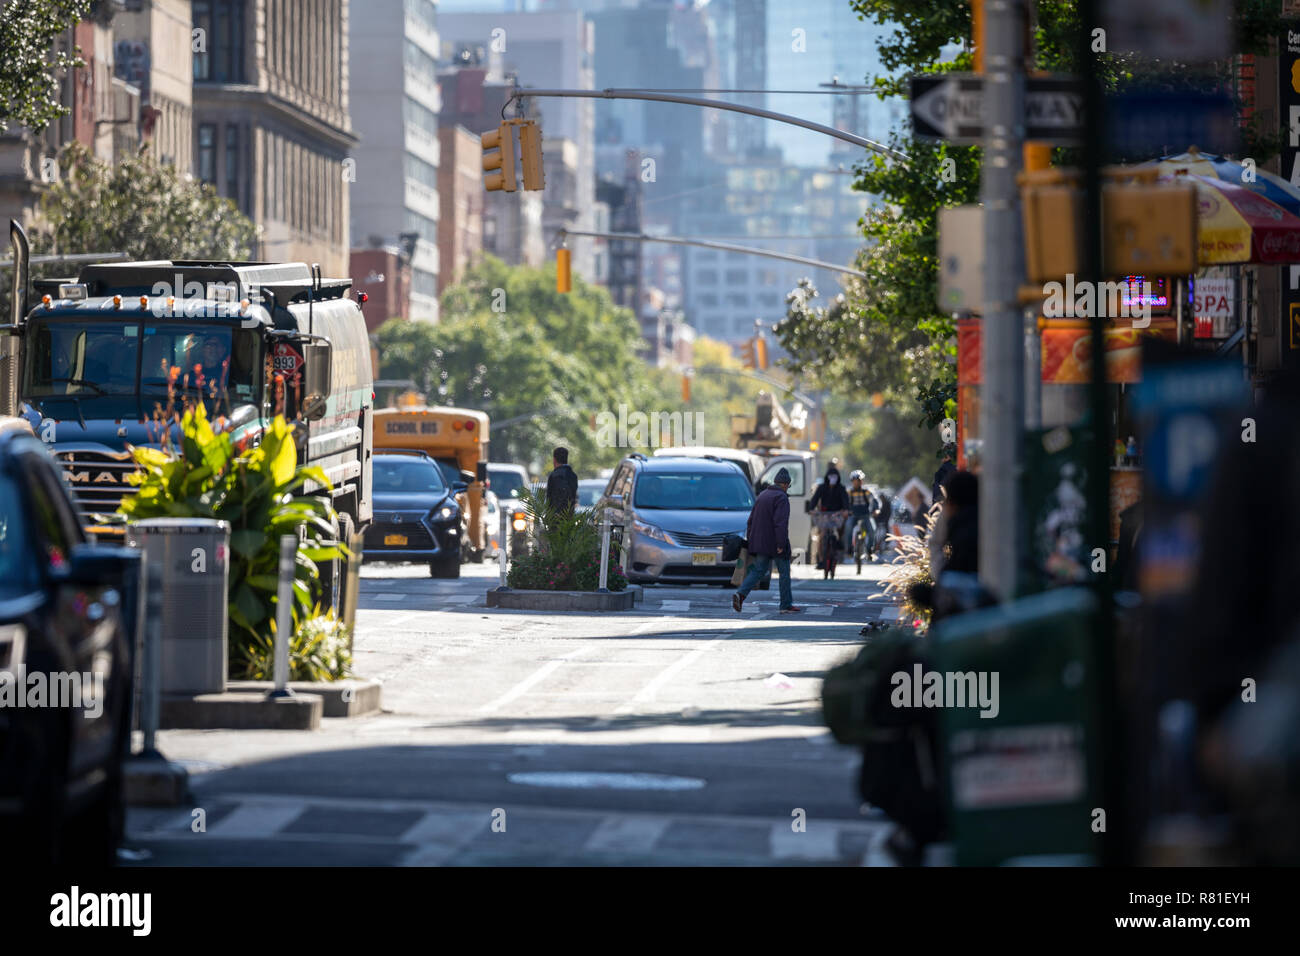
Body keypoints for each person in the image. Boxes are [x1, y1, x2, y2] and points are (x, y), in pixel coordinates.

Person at [733, 467, 801, 615]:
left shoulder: (762, 495)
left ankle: (741, 594)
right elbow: (780, 523)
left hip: (759, 543)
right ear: (785, 484)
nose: (787, 488)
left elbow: (750, 521)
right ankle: (786, 605)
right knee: (784, 573)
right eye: (788, 486)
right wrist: (781, 544)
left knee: (758, 570)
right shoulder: (781, 498)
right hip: (774, 543)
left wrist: (751, 541)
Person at [808, 463, 851, 576]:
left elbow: (845, 501)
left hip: (837, 515)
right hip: (824, 515)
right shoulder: (822, 487)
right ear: (827, 477)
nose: (833, 479)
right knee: (822, 536)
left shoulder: (841, 488)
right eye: (830, 476)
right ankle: (821, 559)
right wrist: (811, 509)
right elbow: (814, 499)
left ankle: (839, 543)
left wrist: (846, 510)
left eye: (835, 477)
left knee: (841, 529)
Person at [846, 470, 873, 562]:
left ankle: (869, 550)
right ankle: (849, 549)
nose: (857, 483)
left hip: (865, 515)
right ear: (852, 481)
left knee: (871, 531)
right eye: (855, 481)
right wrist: (846, 511)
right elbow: (845, 503)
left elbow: (874, 502)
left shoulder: (867, 492)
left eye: (859, 480)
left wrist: (876, 510)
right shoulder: (849, 493)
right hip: (853, 515)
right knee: (848, 528)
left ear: (862, 481)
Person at [545, 446, 579, 516]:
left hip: (555, 517)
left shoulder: (554, 476)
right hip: (569, 517)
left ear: (554, 459)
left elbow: (550, 498)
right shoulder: (573, 476)